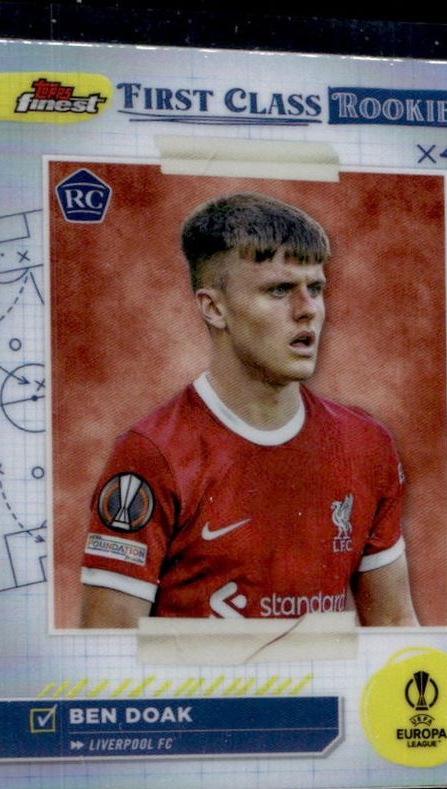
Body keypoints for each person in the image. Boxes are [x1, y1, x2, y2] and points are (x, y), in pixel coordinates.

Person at [80, 192, 418, 628]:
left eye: (315, 288)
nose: (308, 310)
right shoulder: (152, 455)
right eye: (279, 289)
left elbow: (395, 626)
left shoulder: (366, 444)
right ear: (214, 308)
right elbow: (109, 649)